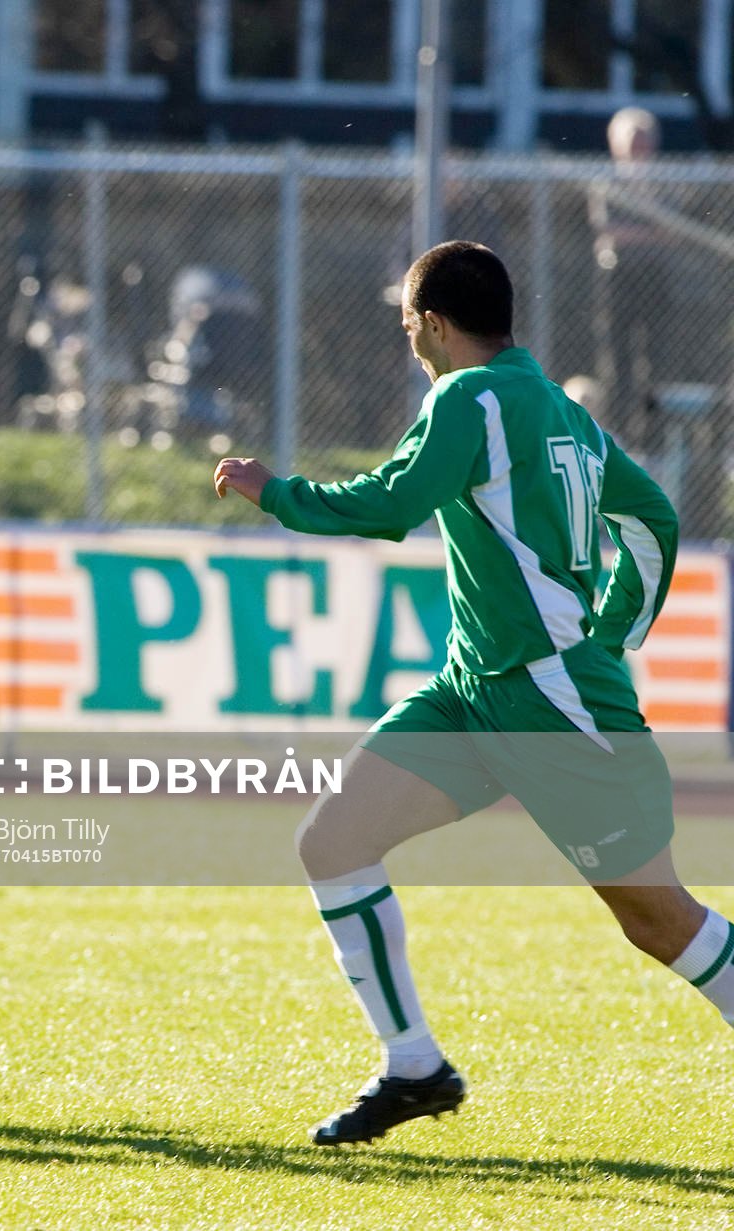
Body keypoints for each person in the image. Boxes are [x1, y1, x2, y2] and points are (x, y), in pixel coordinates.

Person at [214, 241, 731, 1146]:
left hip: (551, 706)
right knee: (333, 841)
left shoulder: (468, 396)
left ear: (436, 324)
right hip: (476, 691)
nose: (410, 339)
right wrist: (615, 631)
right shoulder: (559, 410)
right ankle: (412, 1063)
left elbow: (392, 502)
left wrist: (276, 493)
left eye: (410, 322)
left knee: (657, 918)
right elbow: (651, 516)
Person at [588, 106, 673, 452]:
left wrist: (645, 231)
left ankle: (651, 439)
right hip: (618, 275)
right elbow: (609, 230)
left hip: (654, 277)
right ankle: (617, 433)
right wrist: (648, 231)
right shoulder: (608, 183)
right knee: (616, 357)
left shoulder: (667, 182)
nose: (638, 150)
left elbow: (670, 230)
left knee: (654, 358)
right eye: (631, 142)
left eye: (643, 142)